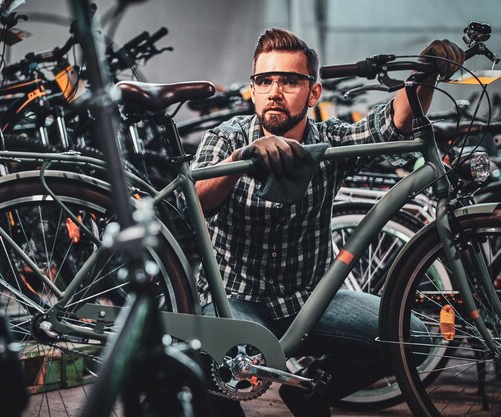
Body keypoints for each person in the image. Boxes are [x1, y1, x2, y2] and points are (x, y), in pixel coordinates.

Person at [191, 28, 464, 417]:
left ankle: (312, 388)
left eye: (289, 81)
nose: (274, 91)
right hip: (235, 299)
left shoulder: (328, 144)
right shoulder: (225, 138)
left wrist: (425, 74)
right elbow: (196, 204)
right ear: (252, 89)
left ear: (313, 93)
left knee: (413, 338)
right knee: (219, 362)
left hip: (308, 301)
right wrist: (243, 158)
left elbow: (393, 123)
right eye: (264, 80)